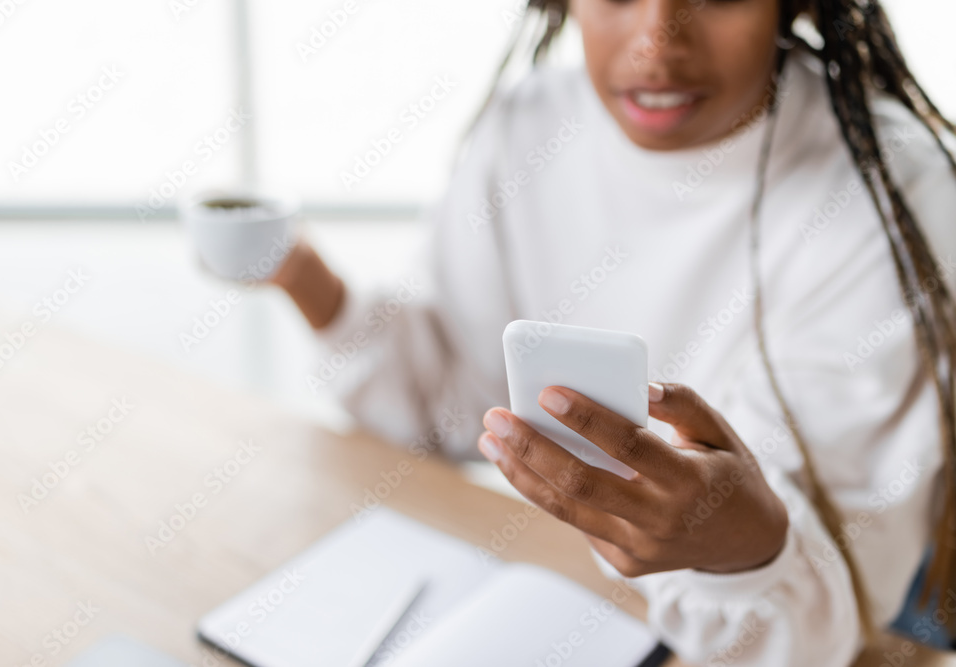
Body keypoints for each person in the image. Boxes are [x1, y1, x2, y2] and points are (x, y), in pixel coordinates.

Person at [268, 0, 956, 664]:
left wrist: (741, 546)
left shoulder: (887, 189)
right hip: (590, 588)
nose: (659, 39)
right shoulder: (528, 126)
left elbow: (838, 611)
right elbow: (450, 402)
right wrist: (301, 275)